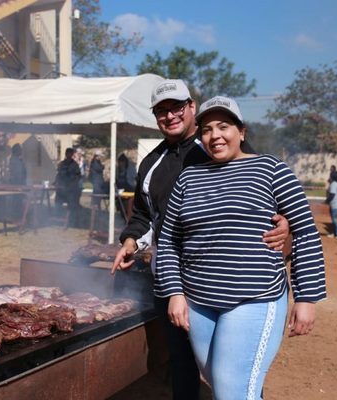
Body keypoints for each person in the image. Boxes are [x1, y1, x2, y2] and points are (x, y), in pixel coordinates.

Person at [111, 80, 290, 400]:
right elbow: (142, 214)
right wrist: (130, 241)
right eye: (161, 111)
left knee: (237, 369)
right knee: (181, 360)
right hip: (170, 279)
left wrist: (286, 224)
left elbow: (262, 192)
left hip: (225, 280)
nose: (170, 116)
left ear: (191, 107)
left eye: (176, 107)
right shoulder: (150, 163)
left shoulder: (216, 145)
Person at [156, 96, 327, 399]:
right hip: (199, 303)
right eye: (207, 130)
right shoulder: (189, 178)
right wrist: (175, 292)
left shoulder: (270, 168)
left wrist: (307, 297)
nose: (215, 136)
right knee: (227, 386)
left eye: (224, 126)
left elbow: (305, 231)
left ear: (242, 132)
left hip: (253, 299)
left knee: (231, 391)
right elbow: (169, 239)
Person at [54, 147, 82, 227]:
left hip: (71, 190)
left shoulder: (75, 165)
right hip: (61, 189)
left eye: (70, 153)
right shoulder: (61, 164)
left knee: (72, 205)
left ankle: (72, 221)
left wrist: (72, 184)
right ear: (66, 154)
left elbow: (78, 176)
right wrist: (56, 182)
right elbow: (58, 174)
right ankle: (57, 219)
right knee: (58, 203)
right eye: (68, 153)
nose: (69, 155)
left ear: (72, 154)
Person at [326, 170, 337, 238]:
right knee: (335, 219)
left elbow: (332, 194)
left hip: (335, 205)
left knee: (334, 220)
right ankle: (335, 233)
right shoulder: (336, 183)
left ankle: (336, 234)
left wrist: (326, 201)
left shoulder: (333, 184)